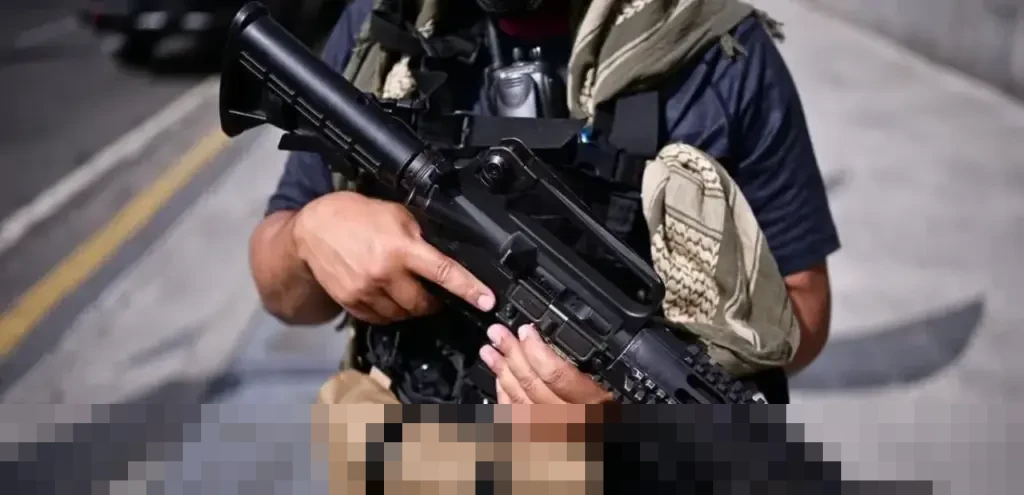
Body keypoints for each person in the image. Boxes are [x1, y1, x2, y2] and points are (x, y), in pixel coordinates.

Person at [249, 0, 840, 405]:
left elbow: (803, 310)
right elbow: (279, 288)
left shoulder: (711, 48)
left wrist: (622, 415)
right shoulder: (387, 24)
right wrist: (309, 234)